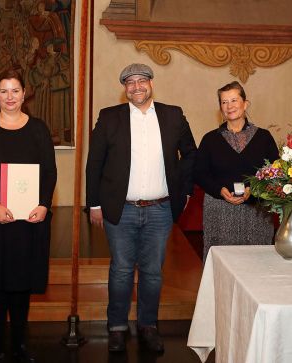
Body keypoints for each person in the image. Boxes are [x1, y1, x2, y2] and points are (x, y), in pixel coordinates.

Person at [86, 63, 197, 353]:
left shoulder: (173, 115)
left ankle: (148, 326)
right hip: (119, 210)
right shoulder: (110, 117)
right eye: (130, 82)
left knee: (152, 272)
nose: (136, 86)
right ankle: (117, 328)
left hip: (160, 210)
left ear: (151, 83)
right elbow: (94, 162)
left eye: (141, 80)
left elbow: (190, 155)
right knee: (121, 270)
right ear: (125, 88)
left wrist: (184, 192)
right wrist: (94, 203)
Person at [0, 69, 57, 362]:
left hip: (27, 223)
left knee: (21, 287)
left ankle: (19, 344)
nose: (10, 97)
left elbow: (50, 172)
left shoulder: (39, 129)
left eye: (15, 91)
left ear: (24, 93)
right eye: (4, 91)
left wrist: (44, 204)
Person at [195, 81, 279, 261]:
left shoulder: (264, 137)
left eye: (234, 100)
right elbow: (200, 173)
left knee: (257, 263)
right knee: (222, 263)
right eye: (224, 102)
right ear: (220, 108)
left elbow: (274, 172)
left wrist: (253, 190)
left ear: (245, 103)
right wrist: (219, 190)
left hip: (256, 212)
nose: (229, 106)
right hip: (219, 211)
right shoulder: (210, 139)